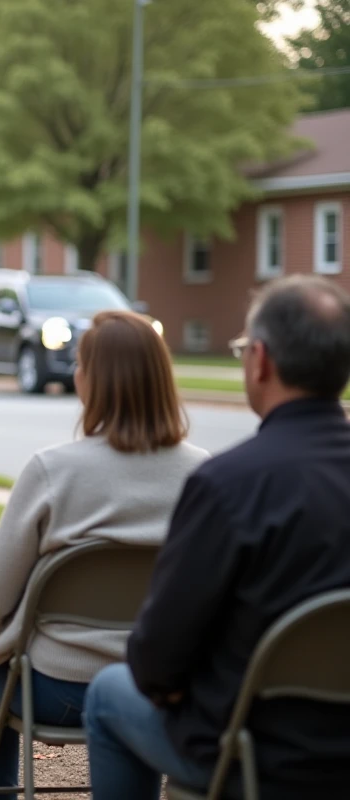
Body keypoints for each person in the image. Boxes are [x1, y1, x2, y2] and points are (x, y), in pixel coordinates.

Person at [84, 275, 350, 799]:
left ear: (260, 361)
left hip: (256, 750)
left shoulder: (228, 484)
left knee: (109, 692)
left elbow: (157, 661)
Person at [0, 310, 208, 799]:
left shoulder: (52, 471)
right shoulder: (204, 477)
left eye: (81, 364)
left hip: (55, 687)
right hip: (163, 686)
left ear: (92, 382)